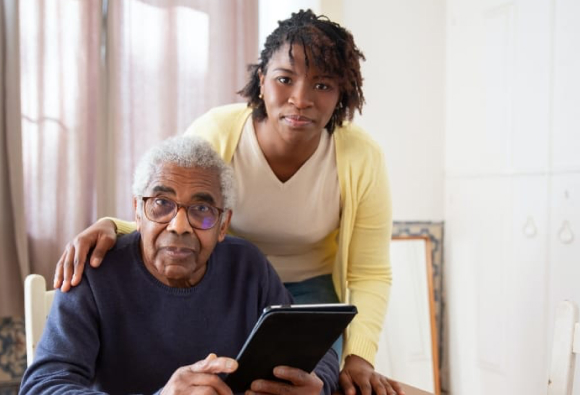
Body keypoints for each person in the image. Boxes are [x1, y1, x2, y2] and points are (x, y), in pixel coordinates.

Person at [54, 9, 403, 395]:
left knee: (310, 382)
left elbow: (369, 273)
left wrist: (358, 358)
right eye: (285, 79)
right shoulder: (220, 132)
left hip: (308, 287)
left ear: (342, 93)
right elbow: (177, 195)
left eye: (323, 85)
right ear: (262, 80)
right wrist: (115, 225)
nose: (301, 99)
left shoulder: (362, 158)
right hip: (228, 277)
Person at [20, 136, 339, 395]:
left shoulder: (248, 266)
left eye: (201, 208)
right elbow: (42, 387)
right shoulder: (94, 269)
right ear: (137, 212)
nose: (179, 225)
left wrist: (316, 386)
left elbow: (316, 351)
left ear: (223, 224)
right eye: (161, 204)